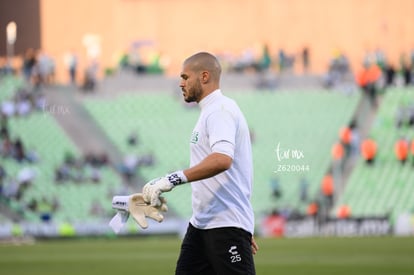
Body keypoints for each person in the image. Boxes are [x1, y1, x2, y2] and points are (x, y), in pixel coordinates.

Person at [142, 52, 258, 274]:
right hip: (201, 226)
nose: (180, 83)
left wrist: (172, 179)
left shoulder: (220, 110)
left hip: (225, 225)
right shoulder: (209, 112)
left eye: (185, 77)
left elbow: (223, 159)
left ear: (204, 76)